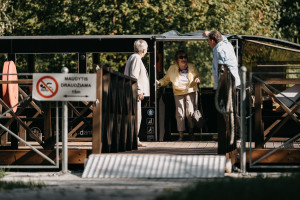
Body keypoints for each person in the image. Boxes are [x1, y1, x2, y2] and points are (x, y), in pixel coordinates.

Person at [156, 50, 200, 141]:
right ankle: (181, 136)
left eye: (185, 57)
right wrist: (159, 83)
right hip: (178, 93)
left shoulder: (192, 66)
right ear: (177, 59)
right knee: (180, 114)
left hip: (190, 91)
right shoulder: (172, 68)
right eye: (181, 57)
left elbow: (198, 76)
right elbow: (165, 79)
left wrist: (198, 79)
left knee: (190, 113)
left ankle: (191, 133)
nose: (183, 59)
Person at [124, 39, 150, 147]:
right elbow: (134, 76)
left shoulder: (133, 57)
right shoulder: (136, 58)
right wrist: (139, 90)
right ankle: (134, 139)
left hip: (131, 91)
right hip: (134, 92)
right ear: (144, 50)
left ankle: (134, 138)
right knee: (136, 116)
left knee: (135, 116)